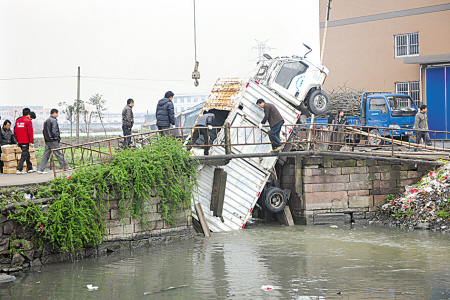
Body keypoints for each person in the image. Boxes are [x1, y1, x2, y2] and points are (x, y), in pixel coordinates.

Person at [37, 109, 69, 174]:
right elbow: (54, 131)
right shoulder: (53, 120)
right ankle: (66, 167)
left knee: (46, 154)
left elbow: (44, 131)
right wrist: (56, 138)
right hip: (53, 140)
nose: (57, 115)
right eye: (57, 113)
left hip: (47, 140)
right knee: (58, 154)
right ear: (54, 113)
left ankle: (40, 169)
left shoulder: (46, 121)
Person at [14, 108, 35, 174]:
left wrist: (17, 139)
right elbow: (30, 132)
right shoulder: (28, 121)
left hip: (19, 141)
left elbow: (15, 131)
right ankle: (19, 169)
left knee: (26, 154)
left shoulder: (18, 121)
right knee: (24, 155)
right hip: (25, 141)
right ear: (29, 114)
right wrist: (31, 141)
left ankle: (30, 168)